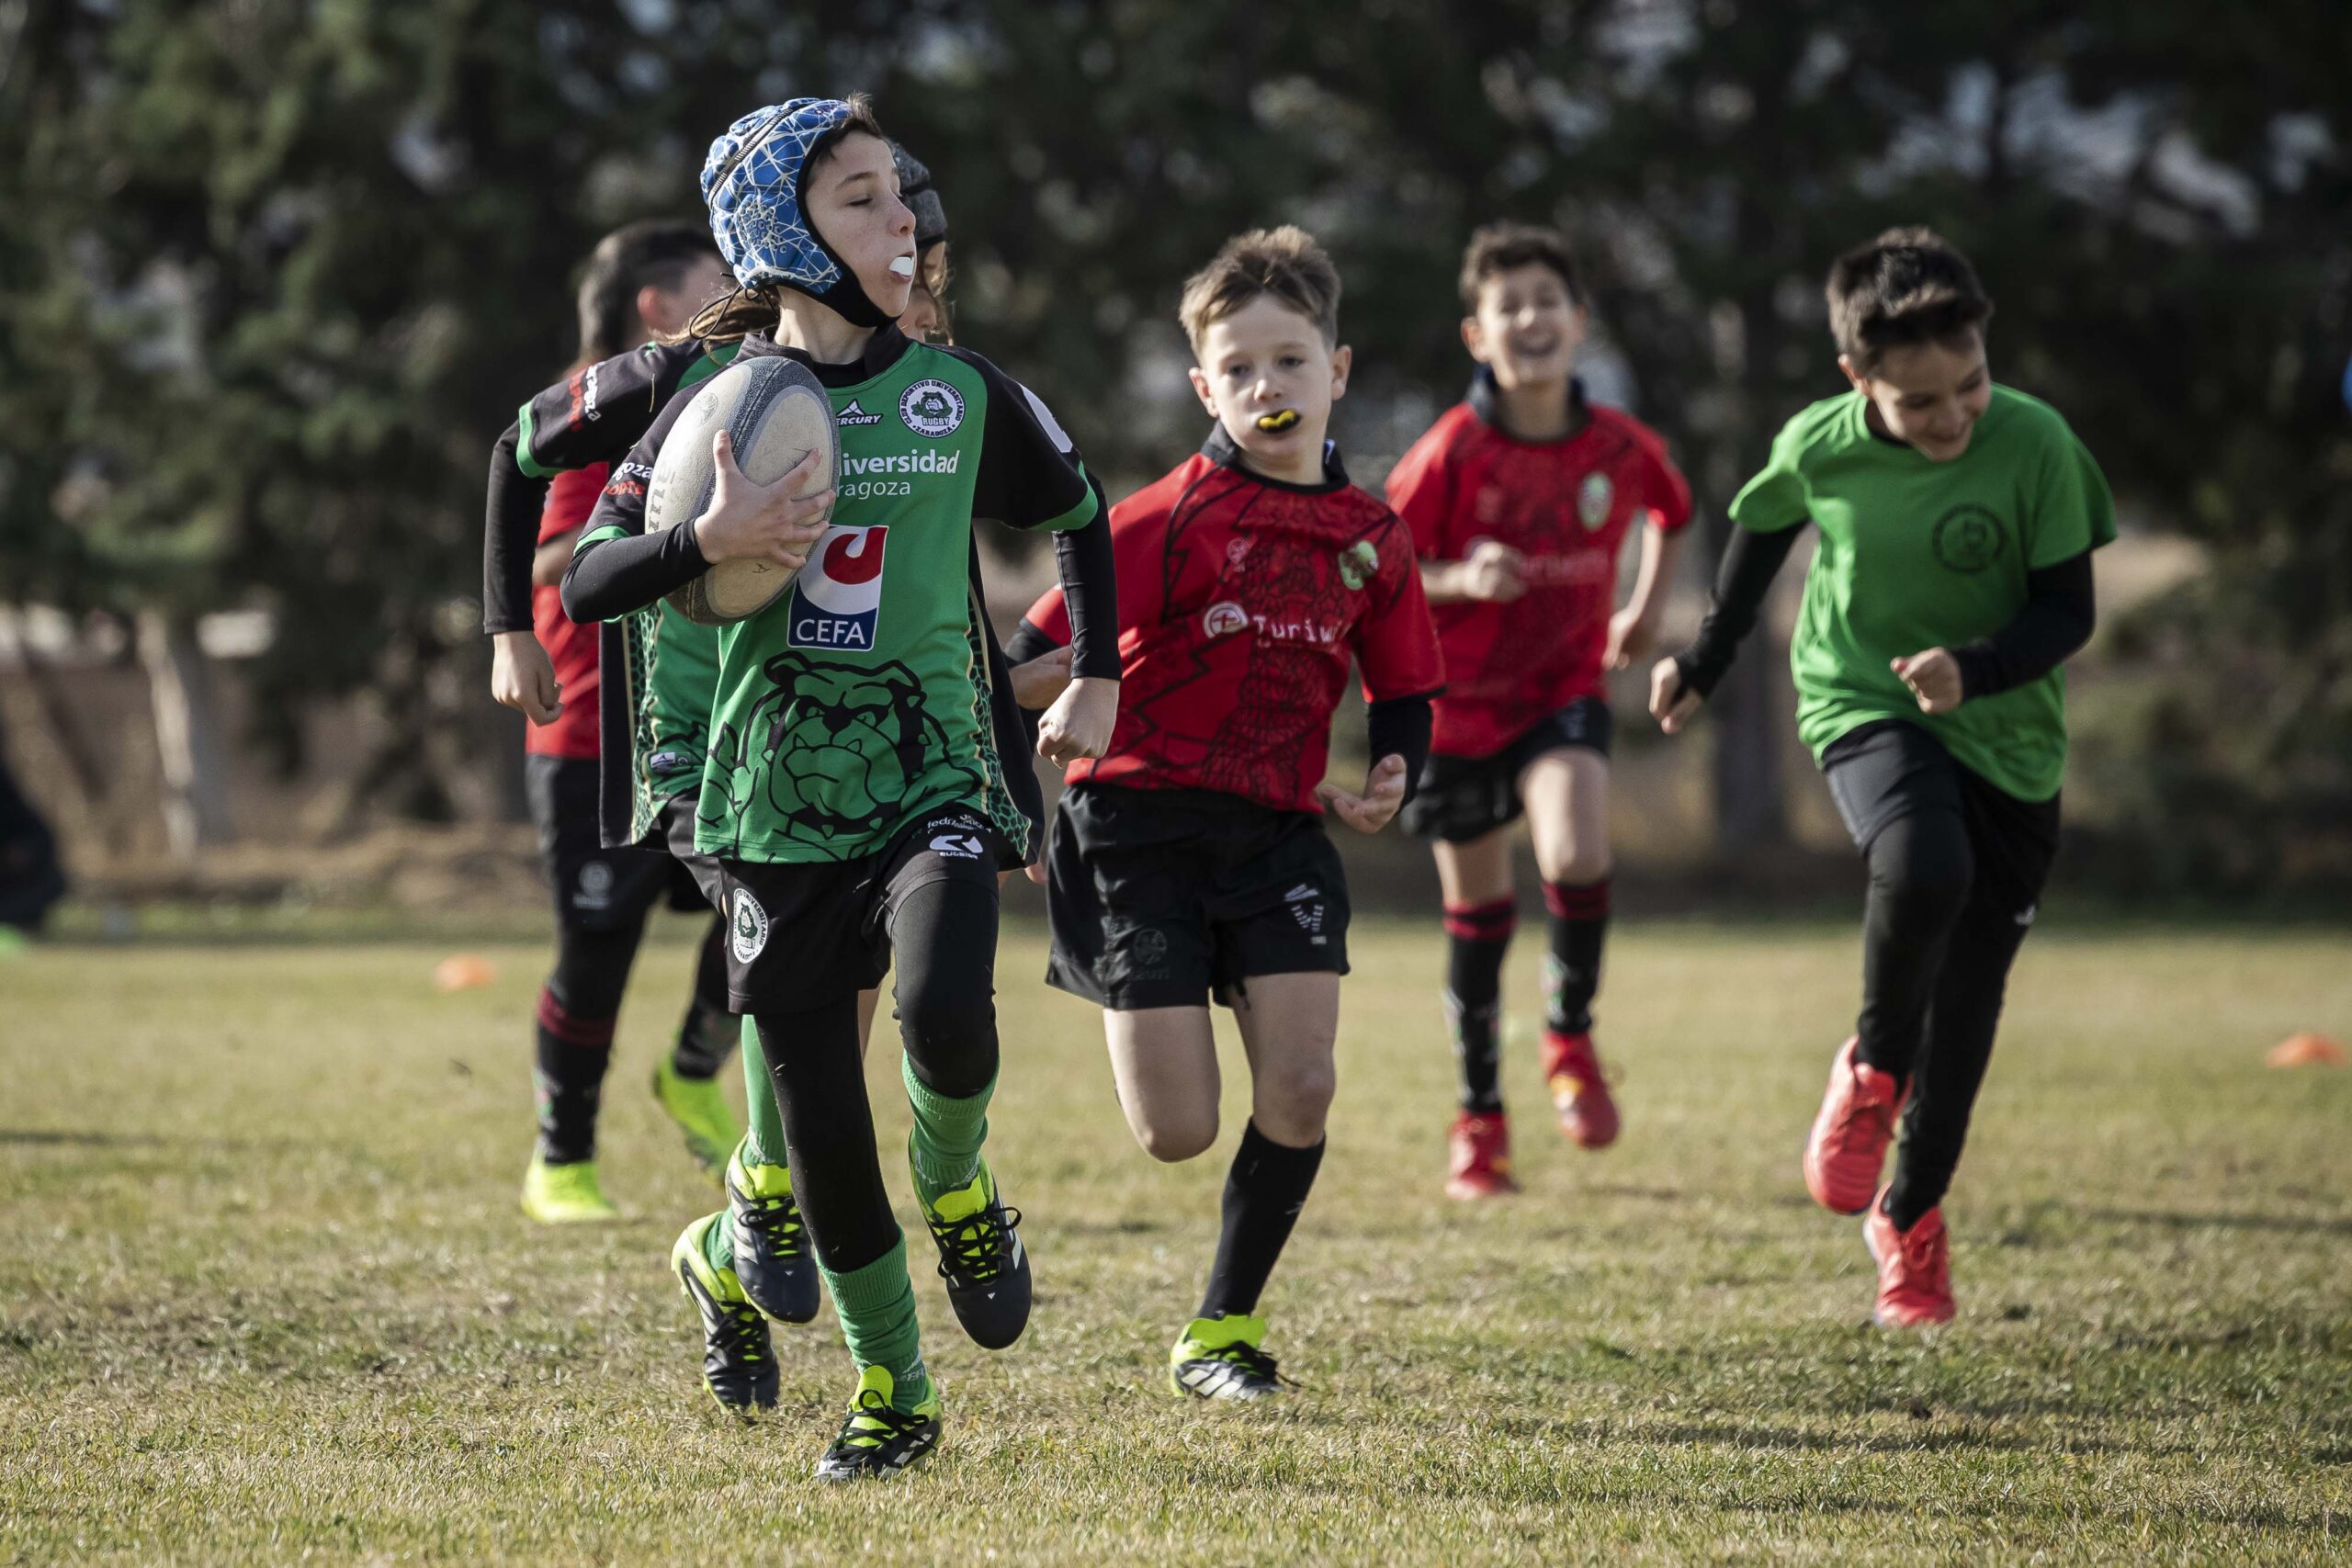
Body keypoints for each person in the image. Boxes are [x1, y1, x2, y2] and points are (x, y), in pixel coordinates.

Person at [563, 96, 1120, 1478]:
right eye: (861, 199)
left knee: (941, 1009)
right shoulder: (711, 410)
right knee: (819, 1132)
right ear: (778, 231)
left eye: (899, 194)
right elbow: (587, 578)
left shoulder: (961, 391)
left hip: (934, 764)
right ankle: (896, 1390)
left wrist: (1098, 668)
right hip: (771, 804)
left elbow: (1082, 514)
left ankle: (960, 1177)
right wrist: (712, 532)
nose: (903, 223)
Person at [1008, 225, 1443, 1400]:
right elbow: (1021, 661)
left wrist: (1398, 771)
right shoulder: (1160, 520)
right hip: (1133, 833)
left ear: (1336, 372)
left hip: (1276, 835)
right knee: (1178, 1131)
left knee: (1302, 1091)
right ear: (1205, 386)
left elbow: (1406, 689)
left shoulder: (1372, 536)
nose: (1269, 386)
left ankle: (1221, 1332)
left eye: (1291, 362)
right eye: (1240, 368)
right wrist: (1034, 742)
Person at [1651, 227, 2111, 1327]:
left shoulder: (2035, 443)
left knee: (1971, 1005)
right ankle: (1869, 1070)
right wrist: (1706, 660)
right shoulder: (1820, 441)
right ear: (1856, 379)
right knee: (1921, 866)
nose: (1954, 418)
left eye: (1969, 387)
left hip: (2009, 733)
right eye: (1920, 405)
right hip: (1861, 696)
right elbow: (1758, 535)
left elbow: (2068, 610)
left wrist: (1979, 669)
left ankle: (1910, 1220)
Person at [1385, 223, 1691, 1199]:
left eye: (1544, 302)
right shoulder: (1451, 451)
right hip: (1455, 713)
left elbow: (1672, 512)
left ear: (1577, 323)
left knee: (1574, 852)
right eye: (1506, 307)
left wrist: (1641, 611)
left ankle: (1569, 1037)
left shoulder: (1618, 443)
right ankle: (1479, 1122)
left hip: (1560, 694)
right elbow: (1382, 576)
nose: (1529, 319)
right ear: (1478, 335)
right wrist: (1462, 576)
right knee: (1477, 916)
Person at [491, 220, 742, 1224]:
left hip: (698, 726)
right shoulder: (601, 406)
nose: (737, 301)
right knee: (596, 955)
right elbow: (555, 557)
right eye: (717, 284)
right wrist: (683, 529)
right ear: (657, 308)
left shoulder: (717, 398)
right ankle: (562, 1161)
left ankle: (691, 1071)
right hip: (591, 731)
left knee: (769, 916)